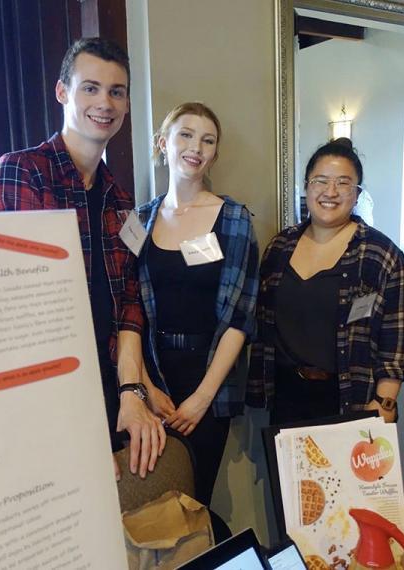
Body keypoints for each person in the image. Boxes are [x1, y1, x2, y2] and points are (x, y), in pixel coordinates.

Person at [0, 37, 164, 478]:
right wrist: (71, 423)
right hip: (39, 395)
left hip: (104, 383)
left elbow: (128, 304)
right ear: (63, 92)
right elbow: (15, 314)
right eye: (90, 88)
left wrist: (132, 392)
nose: (105, 102)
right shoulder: (21, 172)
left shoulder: (120, 200)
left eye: (117, 91)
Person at [136, 102, 259, 505]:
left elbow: (241, 318)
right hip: (153, 376)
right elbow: (129, 312)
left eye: (208, 140)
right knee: (152, 500)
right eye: (185, 135)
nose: (196, 147)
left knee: (194, 500)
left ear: (215, 154)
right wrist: (146, 388)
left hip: (208, 379)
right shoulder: (138, 220)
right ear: (163, 143)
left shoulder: (235, 218)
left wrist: (202, 397)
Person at [247, 138, 404, 425]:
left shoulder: (380, 254)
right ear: (306, 187)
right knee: (284, 471)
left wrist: (384, 403)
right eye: (321, 181)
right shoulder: (280, 247)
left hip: (351, 398)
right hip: (286, 395)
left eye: (344, 183)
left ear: (357, 193)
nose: (331, 192)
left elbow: (395, 338)